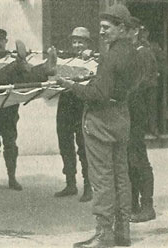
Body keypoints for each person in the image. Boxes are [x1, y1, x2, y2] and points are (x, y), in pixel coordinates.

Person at [59, 4, 139, 247]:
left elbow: (98, 94)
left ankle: (104, 235)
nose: (101, 32)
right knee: (121, 176)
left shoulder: (110, 56)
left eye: (106, 28)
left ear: (121, 28)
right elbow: (128, 84)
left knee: (102, 179)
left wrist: (70, 84)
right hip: (121, 116)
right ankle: (123, 232)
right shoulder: (133, 53)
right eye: (101, 28)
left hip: (101, 121)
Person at [0, 30, 57, 190]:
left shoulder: (10, 56)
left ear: (6, 41)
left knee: (10, 142)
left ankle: (12, 179)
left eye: (0, 40)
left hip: (8, 106)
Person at [54, 27, 92, 202]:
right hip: (65, 105)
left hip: (82, 106)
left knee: (84, 147)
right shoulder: (66, 60)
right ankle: (70, 183)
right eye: (74, 41)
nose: (77, 45)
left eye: (80, 42)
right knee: (65, 144)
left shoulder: (93, 59)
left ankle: (89, 186)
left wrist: (90, 56)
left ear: (87, 43)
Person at [127, 17, 157, 223]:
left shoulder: (143, 52)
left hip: (137, 111)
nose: (125, 33)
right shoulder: (130, 51)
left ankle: (147, 206)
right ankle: (133, 204)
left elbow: (143, 83)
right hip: (128, 111)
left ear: (136, 31)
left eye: (128, 30)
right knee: (129, 158)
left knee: (138, 158)